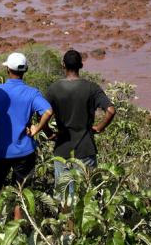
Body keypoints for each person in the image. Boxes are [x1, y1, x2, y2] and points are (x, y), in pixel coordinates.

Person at [0, 52, 54, 227]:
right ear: (25, 71)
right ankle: (17, 228)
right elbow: (48, 111)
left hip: (2, 149)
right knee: (21, 190)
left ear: (7, 69)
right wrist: (37, 128)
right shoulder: (32, 93)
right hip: (25, 150)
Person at [44, 49, 116, 189]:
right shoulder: (92, 88)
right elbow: (111, 111)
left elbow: (42, 115)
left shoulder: (54, 89)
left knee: (64, 197)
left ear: (63, 65)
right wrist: (100, 127)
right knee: (85, 196)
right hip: (86, 149)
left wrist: (49, 133)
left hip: (62, 150)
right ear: (81, 66)